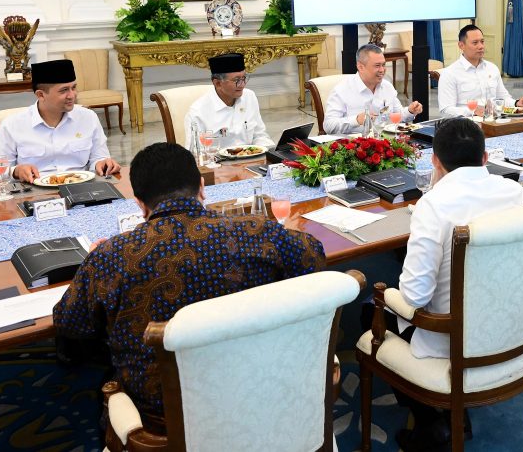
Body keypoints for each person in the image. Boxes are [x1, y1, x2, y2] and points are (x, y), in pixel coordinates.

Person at [53, 142, 326, 428]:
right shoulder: (260, 233)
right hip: (258, 385)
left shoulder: (112, 256)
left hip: (163, 412)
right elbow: (314, 258)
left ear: (140, 203)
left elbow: (70, 323)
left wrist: (93, 268)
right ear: (202, 188)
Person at [388, 118, 523, 448]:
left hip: (452, 337)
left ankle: (431, 423)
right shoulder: (515, 192)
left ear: (434, 160)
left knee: (372, 309)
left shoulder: (433, 204)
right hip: (510, 323)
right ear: (485, 157)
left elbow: (414, 296)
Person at [0, 59, 120, 183]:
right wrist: (15, 171)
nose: (72, 95)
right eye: (64, 90)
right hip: (33, 193)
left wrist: (103, 163)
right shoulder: (12, 125)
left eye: (74, 87)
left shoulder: (88, 118)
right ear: (40, 95)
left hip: (81, 188)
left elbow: (99, 158)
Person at [323, 43, 423, 134]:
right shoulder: (342, 90)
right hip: (354, 144)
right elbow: (329, 126)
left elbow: (397, 116)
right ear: (360, 67)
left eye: (383, 65)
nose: (382, 70)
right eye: (377, 66)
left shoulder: (387, 86)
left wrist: (410, 111)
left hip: (386, 141)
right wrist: (356, 120)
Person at [438, 25, 523, 117]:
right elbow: (445, 110)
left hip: (494, 122)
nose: (481, 46)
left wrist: (516, 103)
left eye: (482, 42)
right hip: (466, 124)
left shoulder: (492, 68)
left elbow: (503, 98)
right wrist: (472, 111)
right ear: (461, 45)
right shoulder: (450, 73)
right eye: (475, 43)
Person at [184, 53, 274, 149]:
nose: (242, 85)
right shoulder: (197, 112)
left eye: (244, 78)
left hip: (251, 156)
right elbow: (195, 152)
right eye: (236, 80)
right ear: (218, 83)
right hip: (217, 158)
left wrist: (271, 151)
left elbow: (260, 135)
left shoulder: (249, 96)